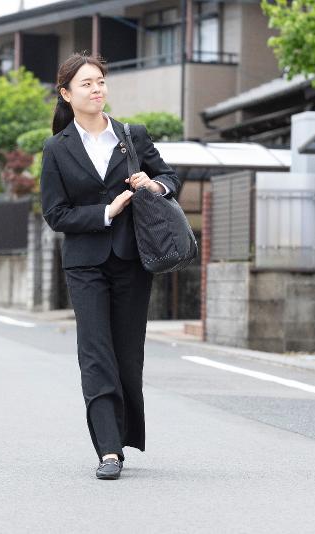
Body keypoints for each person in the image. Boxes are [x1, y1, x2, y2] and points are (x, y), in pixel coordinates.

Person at [40, 53, 180, 480]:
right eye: (86, 83)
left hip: (131, 260)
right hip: (84, 264)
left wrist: (152, 185)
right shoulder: (57, 148)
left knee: (126, 355)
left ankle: (122, 433)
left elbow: (171, 178)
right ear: (67, 94)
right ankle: (108, 450)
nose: (96, 89)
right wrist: (106, 211)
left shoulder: (131, 136)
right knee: (95, 352)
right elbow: (56, 213)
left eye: (100, 81)